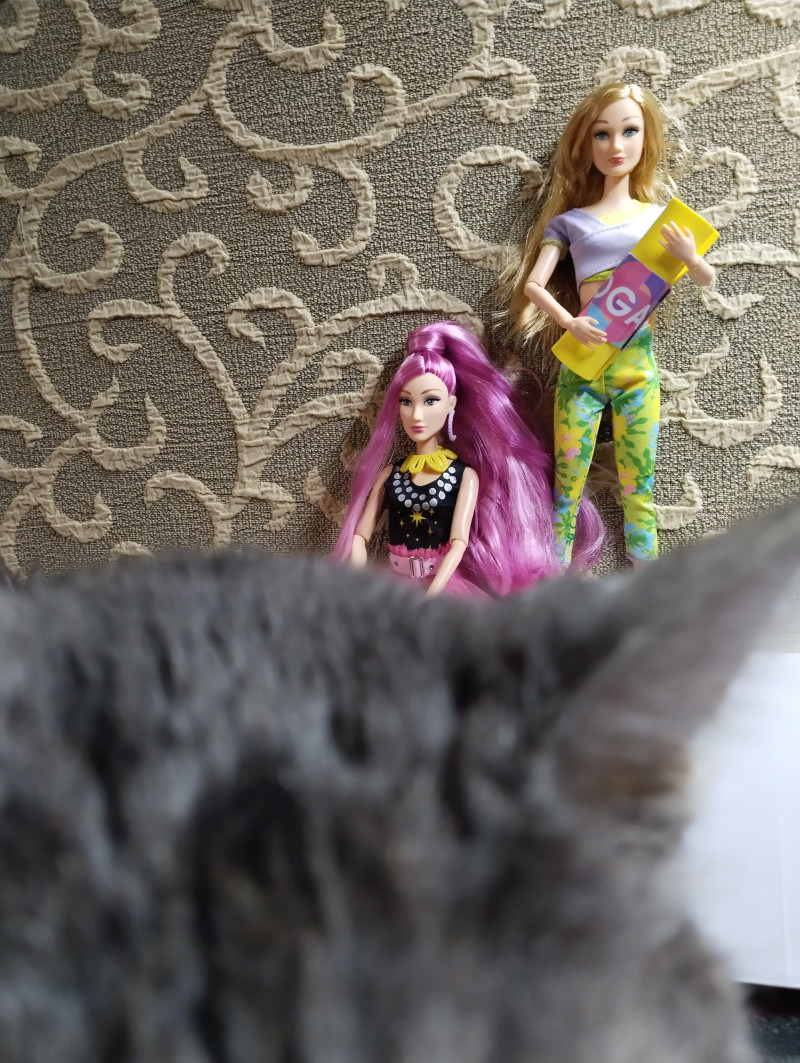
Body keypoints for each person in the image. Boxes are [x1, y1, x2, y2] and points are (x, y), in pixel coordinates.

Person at [498, 82, 715, 566]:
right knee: (567, 483)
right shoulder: (569, 223)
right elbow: (533, 286)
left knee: (640, 485)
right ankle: (551, 576)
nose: (616, 146)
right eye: (602, 134)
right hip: (583, 364)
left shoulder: (660, 220)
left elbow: (706, 278)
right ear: (586, 143)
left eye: (629, 131)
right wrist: (569, 321)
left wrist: (689, 256)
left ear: (647, 138)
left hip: (637, 367)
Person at [332, 320, 602, 596]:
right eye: (406, 401)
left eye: (431, 400)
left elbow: (458, 543)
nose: (417, 415)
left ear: (451, 403)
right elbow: (359, 535)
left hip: (441, 586)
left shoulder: (462, 476)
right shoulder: (391, 474)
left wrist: (432, 593)